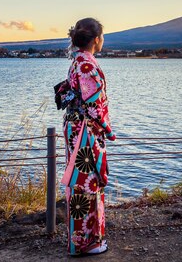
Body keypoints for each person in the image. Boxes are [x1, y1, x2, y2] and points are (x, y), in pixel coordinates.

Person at [61, 17, 115, 256]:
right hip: (86, 129)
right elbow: (94, 104)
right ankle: (88, 242)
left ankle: (83, 240)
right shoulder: (87, 65)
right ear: (96, 39)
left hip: (76, 127)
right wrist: (108, 128)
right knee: (88, 183)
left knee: (81, 182)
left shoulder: (77, 61)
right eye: (102, 37)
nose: (102, 40)